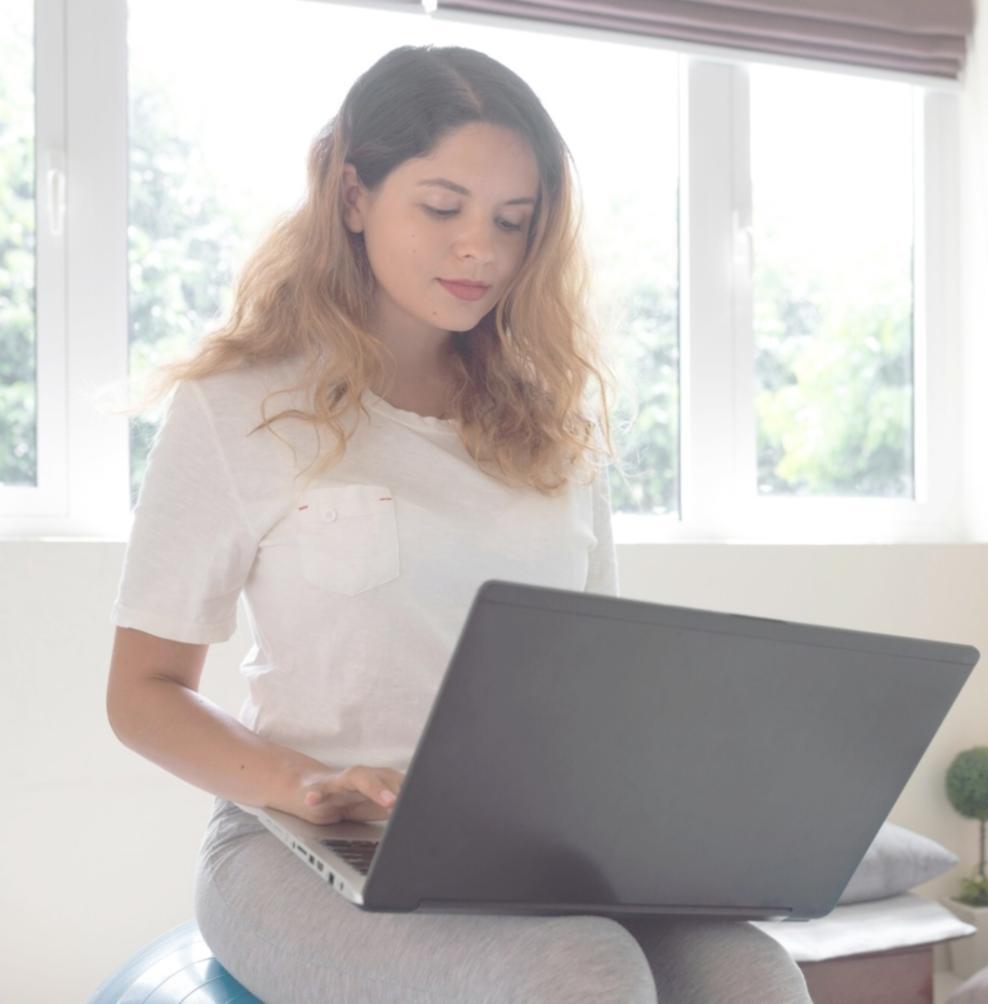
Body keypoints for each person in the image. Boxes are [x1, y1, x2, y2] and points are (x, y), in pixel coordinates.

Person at [105, 44, 812, 1004]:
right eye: (442, 208)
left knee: (751, 971)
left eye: (511, 221)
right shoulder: (239, 406)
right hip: (302, 843)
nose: (481, 249)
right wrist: (302, 782)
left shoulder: (555, 426)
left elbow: (590, 685)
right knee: (582, 971)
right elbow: (142, 693)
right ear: (352, 195)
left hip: (524, 847)